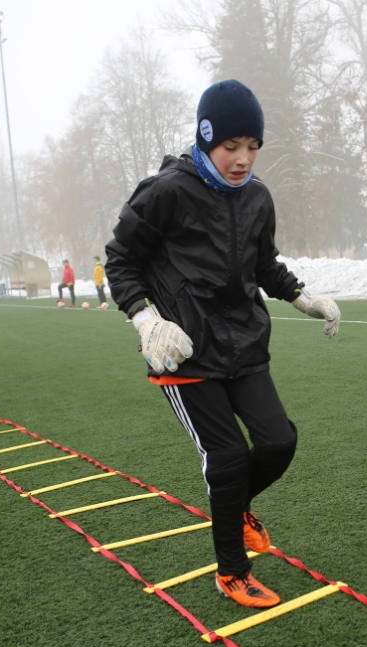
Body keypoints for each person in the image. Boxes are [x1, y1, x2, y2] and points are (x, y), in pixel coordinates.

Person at [105, 79, 341, 609]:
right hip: (183, 351)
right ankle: (233, 571)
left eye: (253, 147)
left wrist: (303, 298)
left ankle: (234, 508)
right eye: (231, 146)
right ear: (206, 139)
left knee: (279, 442)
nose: (243, 159)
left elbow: (264, 265)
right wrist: (144, 320)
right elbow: (120, 260)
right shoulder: (165, 191)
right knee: (228, 457)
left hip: (244, 344)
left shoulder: (257, 198)